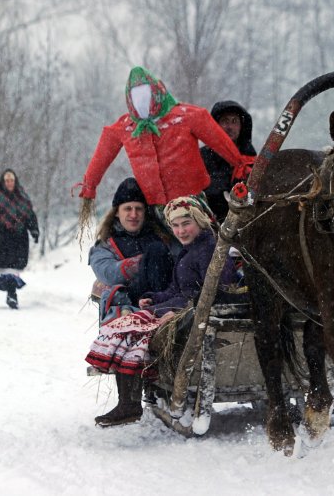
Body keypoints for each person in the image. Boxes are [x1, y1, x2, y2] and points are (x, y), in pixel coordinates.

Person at [85, 196, 241, 427]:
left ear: (199, 221)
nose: (180, 231)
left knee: (130, 329)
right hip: (180, 310)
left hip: (191, 317)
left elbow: (216, 292)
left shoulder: (209, 250)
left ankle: (129, 404)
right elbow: (178, 289)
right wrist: (156, 300)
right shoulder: (190, 251)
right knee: (125, 323)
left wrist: (177, 311)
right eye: (175, 226)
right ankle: (127, 402)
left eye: (186, 224)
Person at [76, 66, 253, 226]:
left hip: (192, 201)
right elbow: (103, 152)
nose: (142, 103)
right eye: (137, 98)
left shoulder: (185, 116)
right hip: (156, 207)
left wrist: (239, 163)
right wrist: (89, 186)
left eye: (145, 96)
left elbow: (215, 137)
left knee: (201, 246)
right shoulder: (126, 127)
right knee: (167, 252)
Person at [89, 177, 172, 308]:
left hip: (163, 304)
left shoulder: (162, 238)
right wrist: (146, 261)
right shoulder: (105, 245)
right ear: (117, 212)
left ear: (145, 212)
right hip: (125, 308)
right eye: (128, 208)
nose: (133, 214)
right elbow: (108, 274)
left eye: (138, 209)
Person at [0, 169, 39, 309]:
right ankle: (11, 293)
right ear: (2, 182)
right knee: (5, 268)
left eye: (11, 180)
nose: (9, 183)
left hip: (19, 237)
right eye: (7, 181)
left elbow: (30, 216)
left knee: (15, 268)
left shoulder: (22, 197)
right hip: (2, 238)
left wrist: (34, 230)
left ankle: (12, 294)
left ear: (15, 181)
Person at [200, 101, 257, 221]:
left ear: (242, 126)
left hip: (244, 223)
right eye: (225, 121)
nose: (230, 127)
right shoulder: (202, 156)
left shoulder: (251, 159)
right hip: (210, 223)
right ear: (216, 124)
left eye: (234, 121)